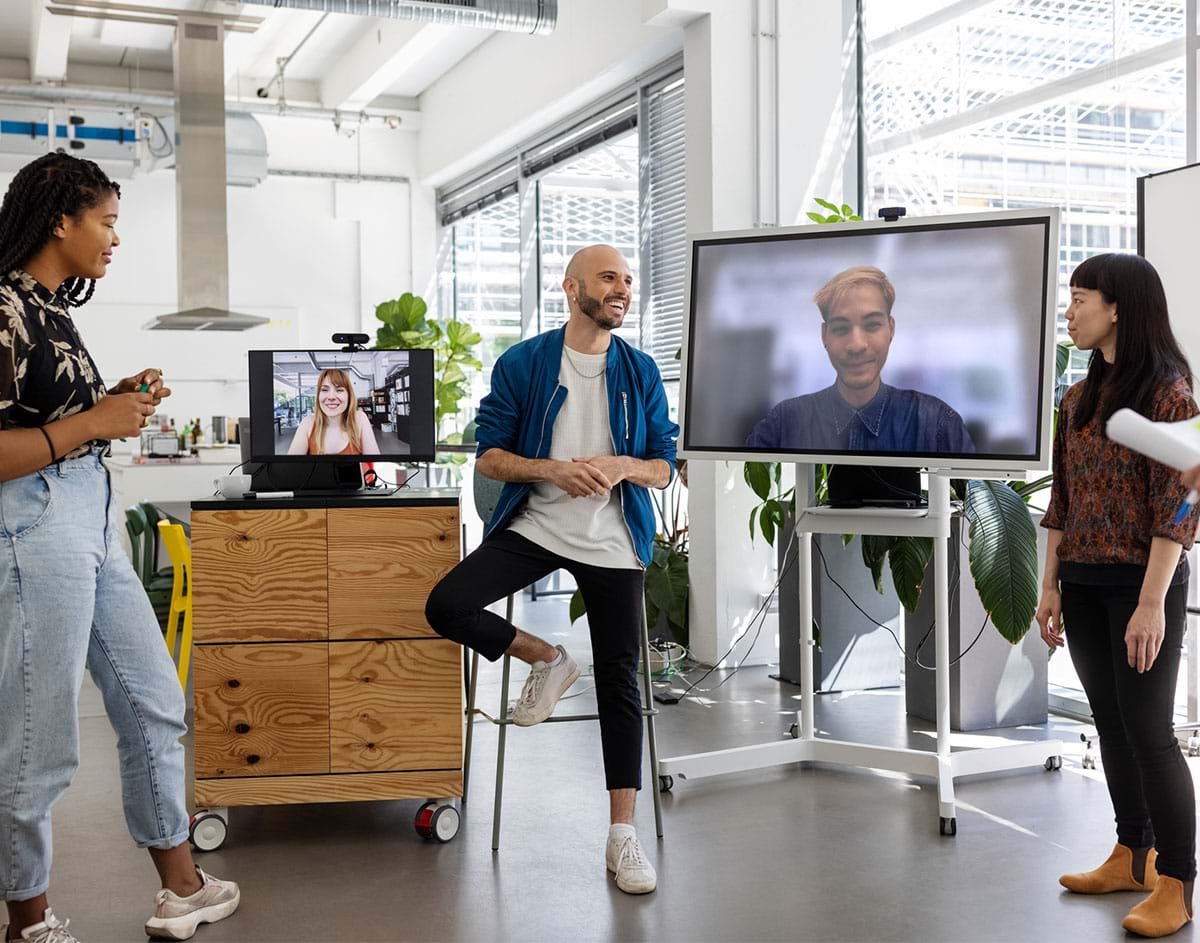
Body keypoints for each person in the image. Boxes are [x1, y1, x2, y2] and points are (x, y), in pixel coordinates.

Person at [0, 153, 239, 943]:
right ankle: (28, 920)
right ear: (59, 220)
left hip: (89, 513)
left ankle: (181, 886)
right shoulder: (2, 305)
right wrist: (94, 424)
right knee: (41, 738)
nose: (114, 238)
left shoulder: (53, 308)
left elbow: (58, 420)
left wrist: (113, 402)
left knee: (152, 701)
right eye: (105, 221)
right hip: (35, 522)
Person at [424, 244, 677, 895]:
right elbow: (490, 457)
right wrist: (556, 470)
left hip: (613, 539)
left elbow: (664, 465)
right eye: (607, 278)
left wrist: (622, 466)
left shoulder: (640, 369)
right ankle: (547, 657)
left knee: (620, 677)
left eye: (627, 279)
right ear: (572, 288)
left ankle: (623, 837)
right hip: (534, 529)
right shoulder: (525, 362)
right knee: (445, 605)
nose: (621, 288)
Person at [1036, 252, 1197, 938]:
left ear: (1119, 307)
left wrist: (1153, 601)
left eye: (1080, 298)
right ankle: (1132, 854)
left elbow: (1181, 505)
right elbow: (1062, 500)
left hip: (1143, 583)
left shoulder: (1170, 393)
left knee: (1151, 732)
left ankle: (1178, 881)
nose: (1069, 311)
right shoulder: (1077, 398)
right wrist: (1049, 582)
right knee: (1110, 724)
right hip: (1083, 579)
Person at [745, 265, 975, 453]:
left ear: (890, 328)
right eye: (841, 328)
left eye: (872, 325)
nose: (856, 345)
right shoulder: (784, 422)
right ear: (824, 335)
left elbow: (975, 502)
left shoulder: (936, 422)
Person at [286, 367, 380, 455]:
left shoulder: (360, 419)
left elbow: (375, 467)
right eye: (324, 390)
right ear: (318, 395)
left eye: (339, 390)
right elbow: (290, 468)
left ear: (349, 396)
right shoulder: (307, 423)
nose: (331, 397)